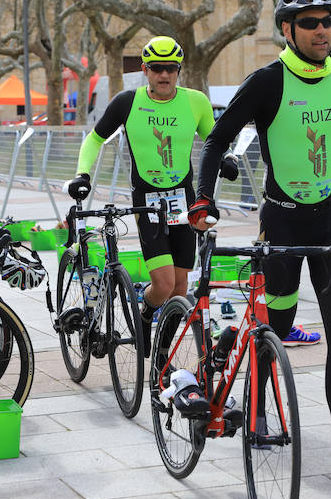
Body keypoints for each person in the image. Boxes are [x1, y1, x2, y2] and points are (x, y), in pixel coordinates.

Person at [188, 0, 331, 473]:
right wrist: (203, 198)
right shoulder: (267, 82)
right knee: (274, 330)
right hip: (282, 226)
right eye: (310, 22)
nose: (322, 30)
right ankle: (256, 416)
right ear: (288, 30)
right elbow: (215, 142)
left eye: (327, 20)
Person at [66, 36, 238, 354]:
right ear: (145, 69)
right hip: (147, 201)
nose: (164, 75)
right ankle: (145, 310)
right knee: (163, 284)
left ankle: (160, 353)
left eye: (171, 69)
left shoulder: (195, 102)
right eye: (157, 69)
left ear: (178, 70)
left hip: (183, 202)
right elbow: (94, 139)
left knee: (181, 287)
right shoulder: (127, 102)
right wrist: (83, 174)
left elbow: (213, 139)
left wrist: (227, 158)